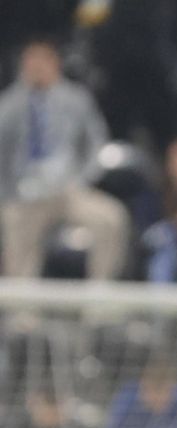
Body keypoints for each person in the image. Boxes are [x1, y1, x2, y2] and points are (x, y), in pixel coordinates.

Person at [0, 38, 130, 281]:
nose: (36, 67)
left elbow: (95, 143)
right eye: (31, 60)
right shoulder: (9, 104)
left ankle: (100, 304)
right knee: (15, 228)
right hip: (23, 194)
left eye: (42, 60)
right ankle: (23, 315)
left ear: (54, 63)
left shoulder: (76, 99)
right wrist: (6, 192)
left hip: (68, 190)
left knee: (112, 219)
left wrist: (81, 178)